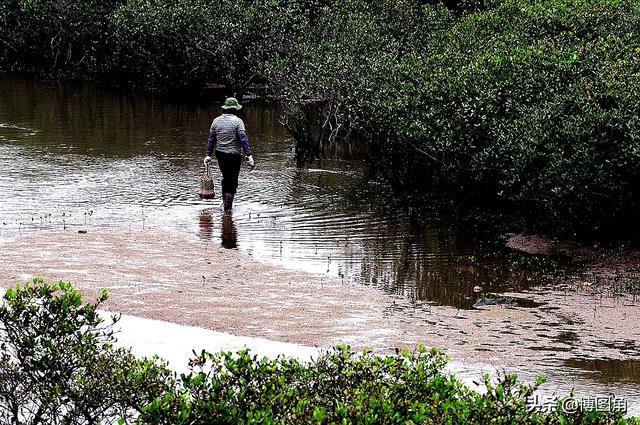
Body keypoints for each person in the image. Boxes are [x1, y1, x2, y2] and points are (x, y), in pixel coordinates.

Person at [204, 97, 255, 212]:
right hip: (234, 156)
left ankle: (225, 205)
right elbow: (243, 139)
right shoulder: (238, 121)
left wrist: (208, 155)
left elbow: (211, 139)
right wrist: (249, 155)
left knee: (226, 178)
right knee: (232, 181)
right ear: (235, 109)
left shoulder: (216, 121)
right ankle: (228, 209)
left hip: (220, 154)